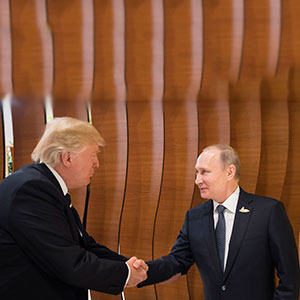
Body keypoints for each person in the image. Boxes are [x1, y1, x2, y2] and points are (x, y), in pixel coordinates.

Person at [0, 117, 148, 300]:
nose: (97, 163)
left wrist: (129, 265)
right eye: (93, 154)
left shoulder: (42, 184)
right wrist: (125, 274)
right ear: (67, 158)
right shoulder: (31, 190)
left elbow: (84, 245)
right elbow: (69, 262)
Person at [138, 144, 300, 300]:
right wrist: (146, 269)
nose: (197, 180)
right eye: (196, 173)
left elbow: (290, 276)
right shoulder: (194, 217)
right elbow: (176, 261)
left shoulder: (268, 211)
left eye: (204, 172)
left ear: (229, 172)